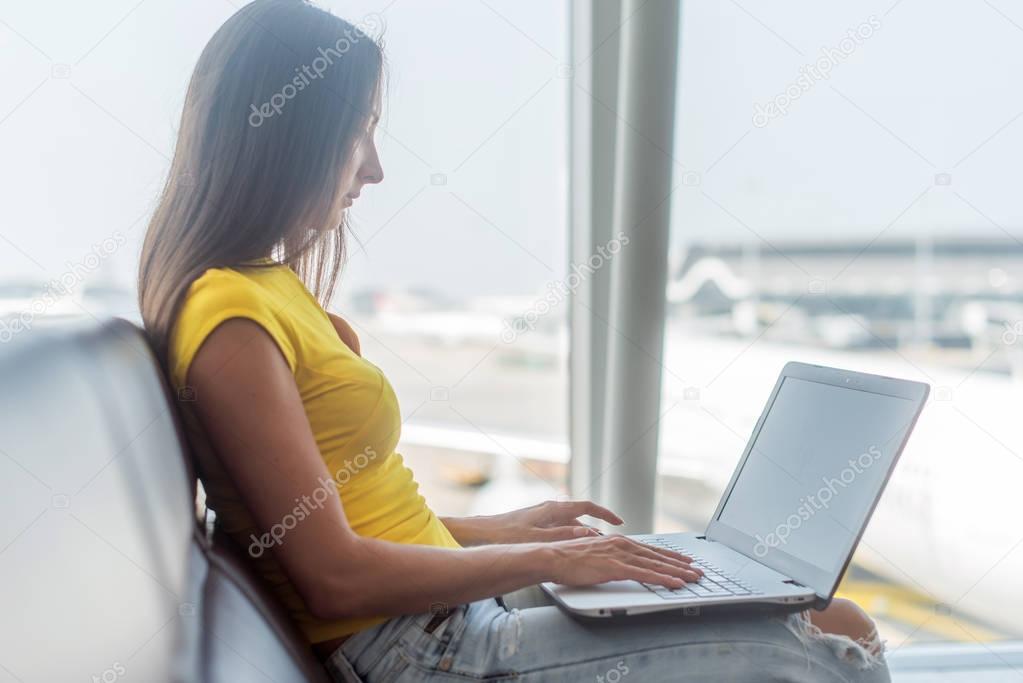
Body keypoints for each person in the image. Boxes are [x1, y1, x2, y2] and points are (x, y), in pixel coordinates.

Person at [138, 1, 888, 680]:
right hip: (419, 650)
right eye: (357, 131)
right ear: (289, 136)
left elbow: (361, 521)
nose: (374, 166)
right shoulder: (230, 318)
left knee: (830, 614)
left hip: (442, 622)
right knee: (829, 653)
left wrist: (508, 530)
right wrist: (548, 558)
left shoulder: (264, 288)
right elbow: (333, 575)